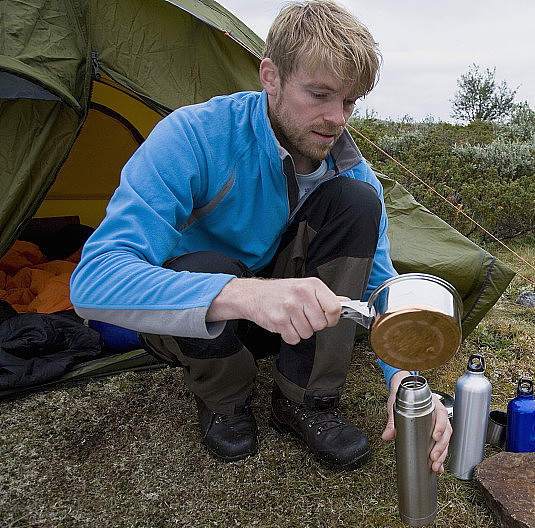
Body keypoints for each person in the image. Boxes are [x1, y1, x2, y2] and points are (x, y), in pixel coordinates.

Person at [69, 0, 451, 472]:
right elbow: (93, 282)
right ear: (270, 77)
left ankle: (304, 399)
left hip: (284, 319)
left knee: (356, 202)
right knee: (208, 267)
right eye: (318, 94)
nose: (337, 119)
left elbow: (378, 286)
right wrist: (247, 295)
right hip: (193, 320)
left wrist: (407, 381)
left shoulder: (352, 171)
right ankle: (224, 399)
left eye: (349, 102)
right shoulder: (195, 136)